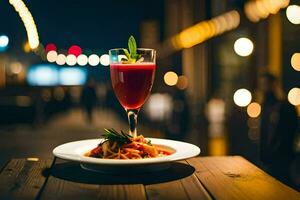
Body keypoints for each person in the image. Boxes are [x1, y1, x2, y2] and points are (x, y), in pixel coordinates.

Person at [259, 72, 298, 185]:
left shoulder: (285, 107)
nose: (264, 88)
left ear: (274, 85)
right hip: (269, 159)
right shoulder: (265, 106)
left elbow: (290, 132)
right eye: (263, 84)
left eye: (267, 84)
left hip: (281, 159)